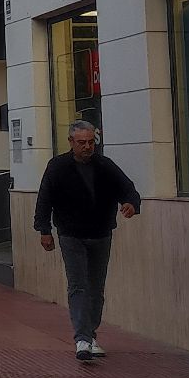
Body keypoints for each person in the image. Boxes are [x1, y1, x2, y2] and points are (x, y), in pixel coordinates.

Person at [35, 120, 141, 360]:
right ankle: (82, 339)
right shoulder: (57, 167)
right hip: (71, 234)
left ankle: (90, 334)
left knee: (96, 287)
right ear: (71, 142)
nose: (87, 147)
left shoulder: (104, 165)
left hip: (101, 233)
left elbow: (127, 188)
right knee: (78, 285)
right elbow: (44, 199)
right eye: (82, 142)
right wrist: (44, 230)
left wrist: (131, 203)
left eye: (91, 142)